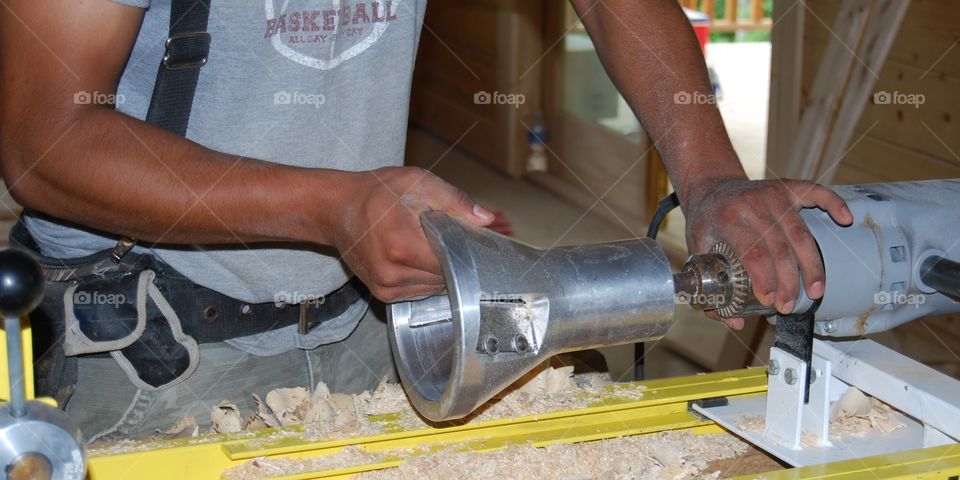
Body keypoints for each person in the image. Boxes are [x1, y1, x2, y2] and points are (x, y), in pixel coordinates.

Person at [0, 0, 851, 440]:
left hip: (369, 314)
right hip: (157, 343)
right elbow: (44, 139)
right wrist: (332, 206)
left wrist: (709, 177)